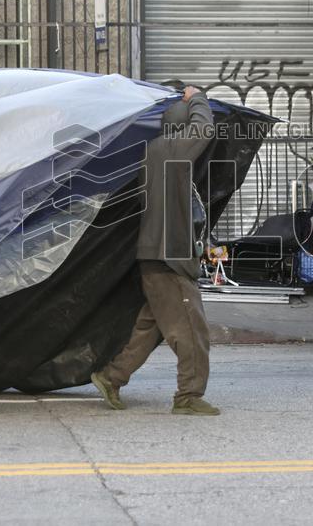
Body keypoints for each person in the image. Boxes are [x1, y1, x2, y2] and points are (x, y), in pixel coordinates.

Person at [91, 86, 221, 415]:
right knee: (192, 331)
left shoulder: (157, 154)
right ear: (182, 127)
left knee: (149, 331)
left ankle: (111, 377)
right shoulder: (171, 151)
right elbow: (205, 128)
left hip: (158, 256)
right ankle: (188, 396)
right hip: (168, 260)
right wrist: (198, 97)